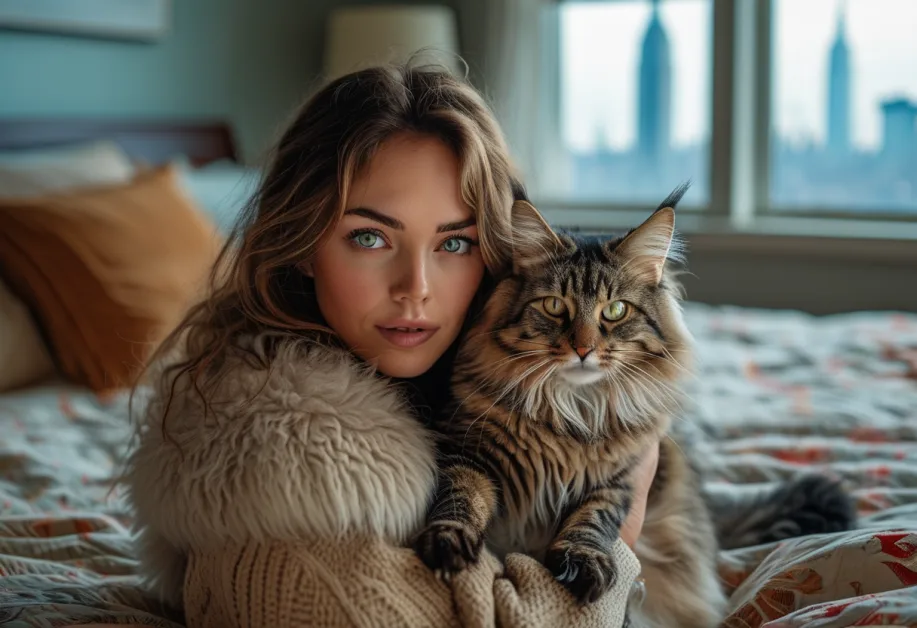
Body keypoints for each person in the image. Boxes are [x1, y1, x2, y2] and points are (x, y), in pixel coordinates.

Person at [124, 62, 659, 627]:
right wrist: (626, 517)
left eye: (454, 243)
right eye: (371, 237)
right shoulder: (292, 503)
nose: (417, 291)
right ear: (301, 244)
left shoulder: (485, 377)